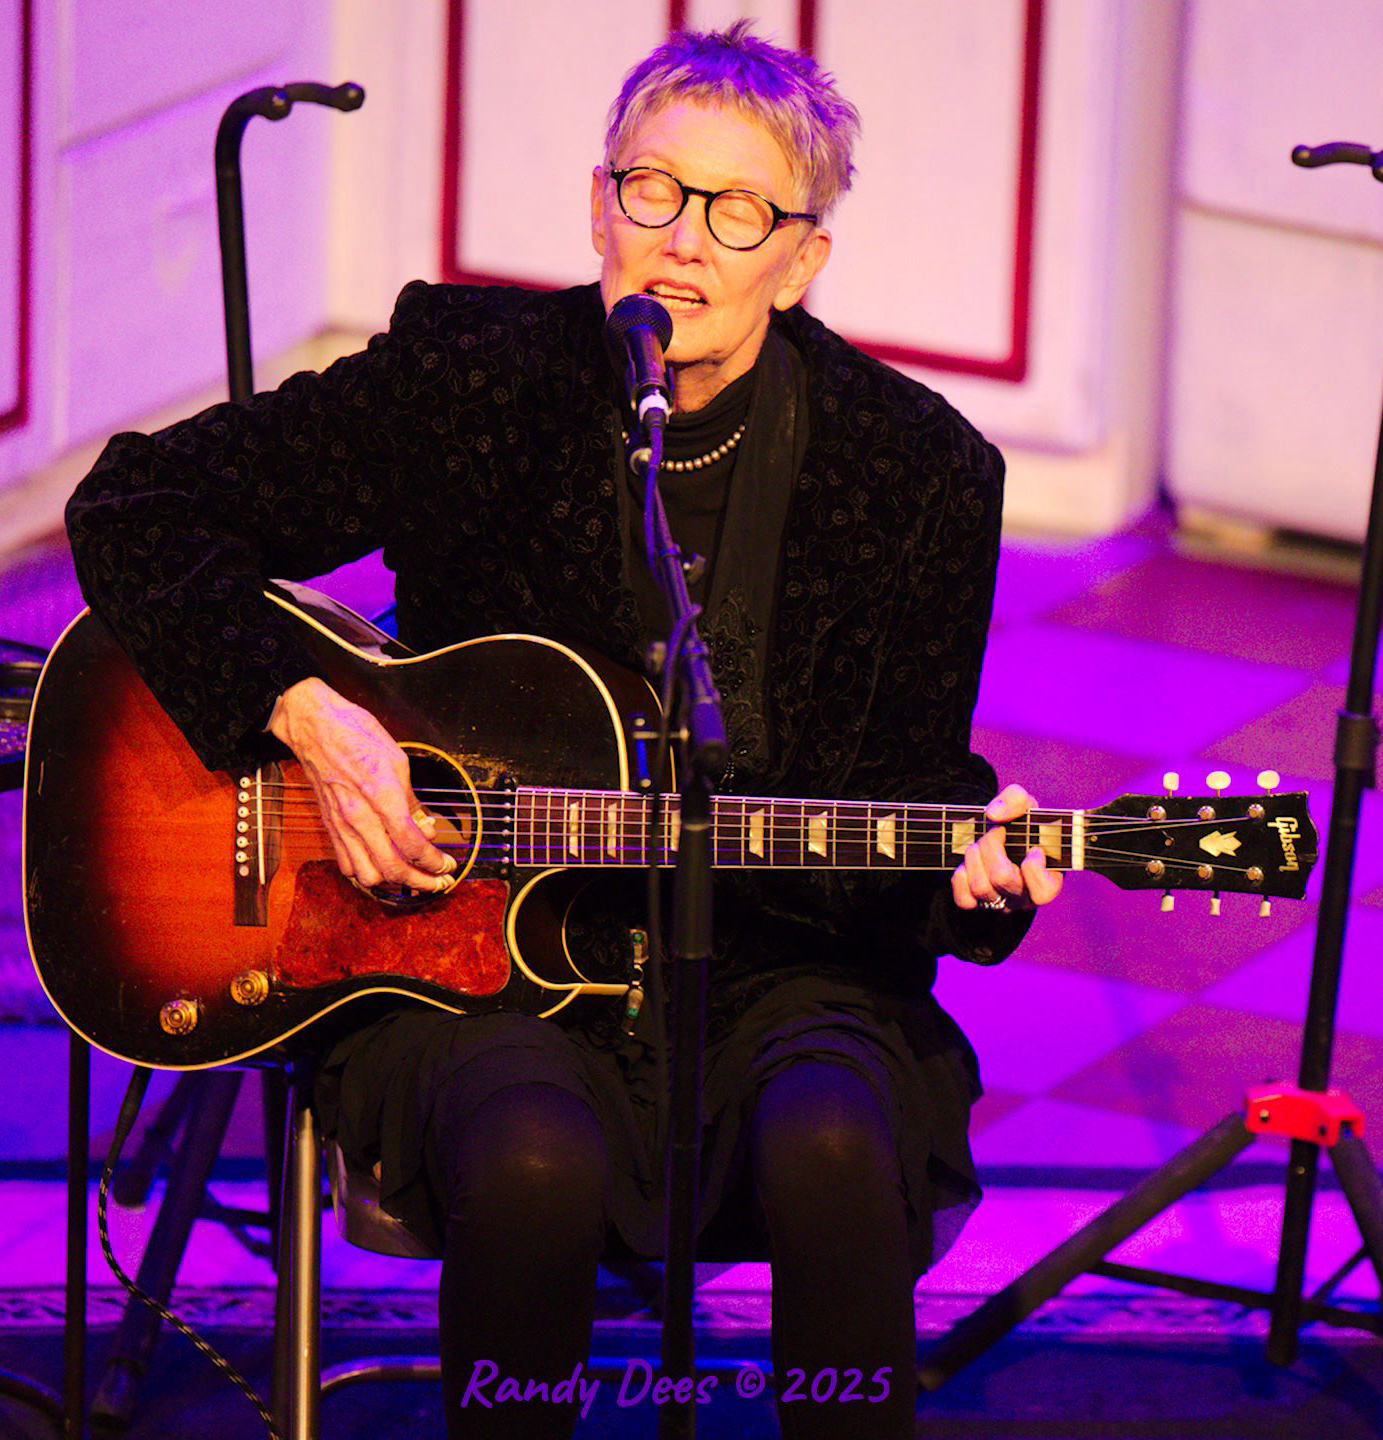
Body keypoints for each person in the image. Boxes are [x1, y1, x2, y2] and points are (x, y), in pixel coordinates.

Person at [66, 22, 1061, 1438]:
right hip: (463, 959)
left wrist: (977, 881)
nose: (684, 242)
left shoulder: (920, 470)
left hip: (780, 970)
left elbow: (909, 794)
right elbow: (134, 506)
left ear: (802, 259)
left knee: (834, 1148)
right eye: (654, 190)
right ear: (601, 205)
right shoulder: (470, 379)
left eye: (741, 211)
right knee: (532, 1159)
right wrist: (304, 715)